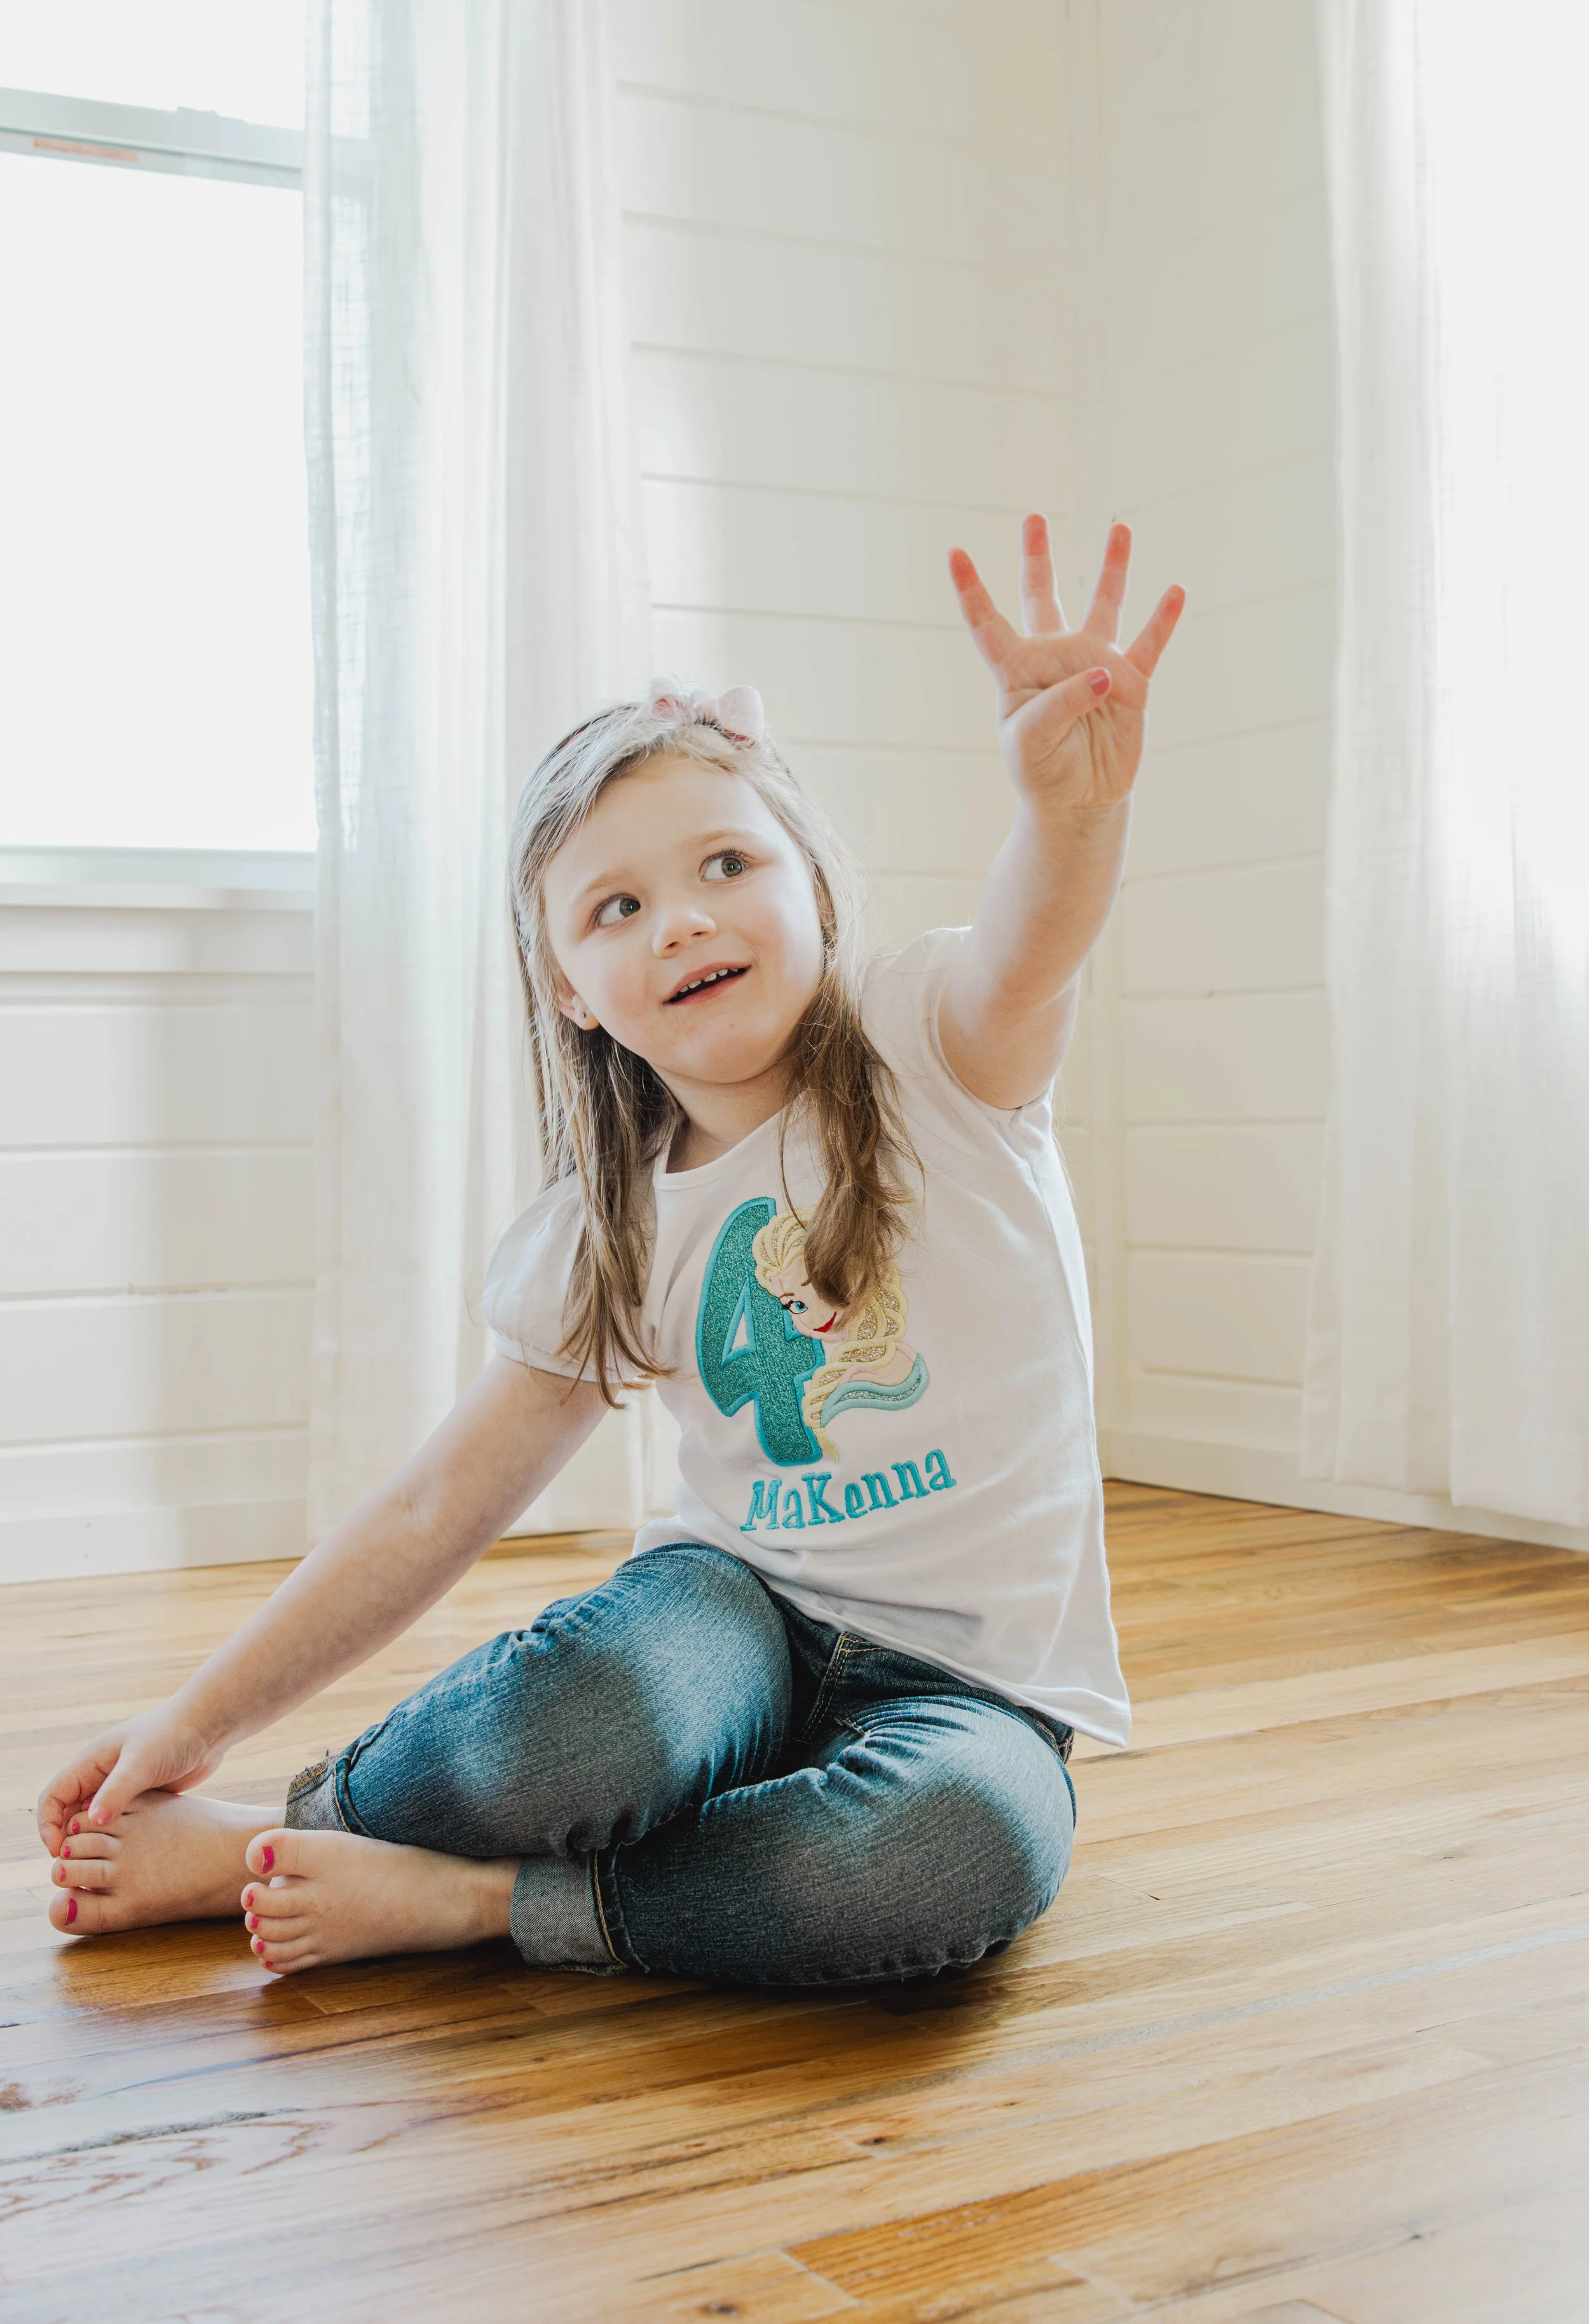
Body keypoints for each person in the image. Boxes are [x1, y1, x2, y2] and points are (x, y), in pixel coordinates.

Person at [36, 516, 1183, 1987]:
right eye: (615, 907)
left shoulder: (938, 1050)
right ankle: (290, 1829)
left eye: (725, 862)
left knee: (955, 1851)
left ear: (809, 887)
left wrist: (1070, 811)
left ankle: (474, 1904)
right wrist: (190, 1728)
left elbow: (1038, 934)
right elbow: (437, 1503)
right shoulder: (614, 1220)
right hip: (729, 1622)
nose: (681, 920)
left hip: (971, 1687)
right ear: (570, 991)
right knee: (581, 1719)